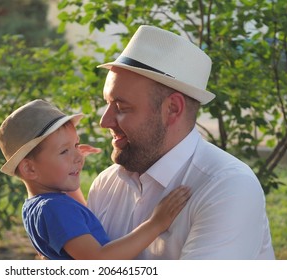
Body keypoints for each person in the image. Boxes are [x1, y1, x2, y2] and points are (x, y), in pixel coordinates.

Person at [87, 25, 275, 259]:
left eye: (122, 107)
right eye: (107, 104)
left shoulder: (229, 187)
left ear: (172, 109)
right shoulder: (106, 184)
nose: (105, 121)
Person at [0, 99, 191, 260]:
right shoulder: (55, 209)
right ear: (29, 168)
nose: (78, 156)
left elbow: (80, 215)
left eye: (76, 145)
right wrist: (156, 223)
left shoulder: (39, 206)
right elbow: (98, 260)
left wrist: (69, 158)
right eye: (64, 150)